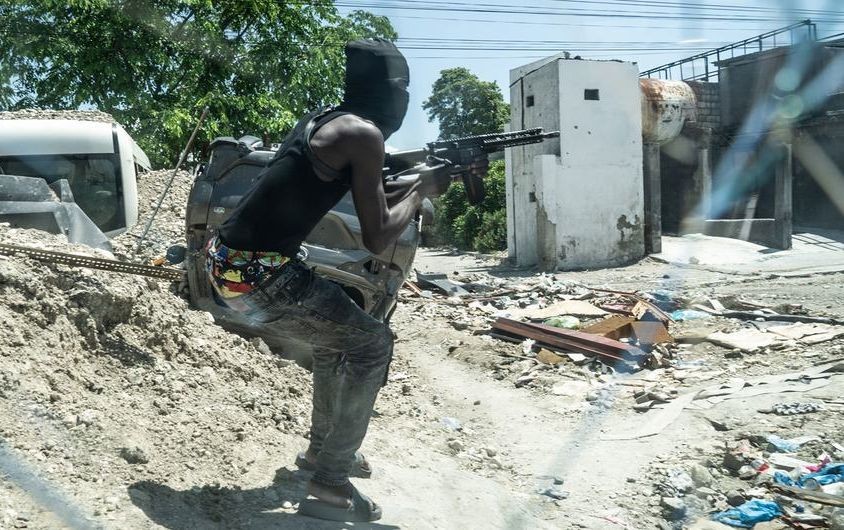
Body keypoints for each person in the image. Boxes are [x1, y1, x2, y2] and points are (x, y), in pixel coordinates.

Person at [205, 39, 488, 522]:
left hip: (232, 266)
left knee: (339, 339)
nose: (405, 99)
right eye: (403, 87)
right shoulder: (364, 135)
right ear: (389, 89)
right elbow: (378, 236)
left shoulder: (328, 119)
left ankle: (322, 453)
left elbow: (375, 191)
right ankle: (330, 482)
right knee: (373, 344)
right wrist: (423, 186)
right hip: (258, 273)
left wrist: (427, 175)